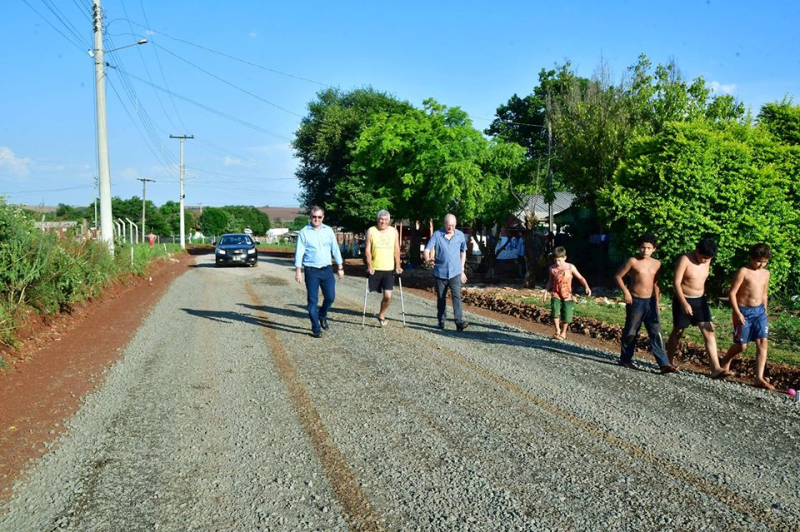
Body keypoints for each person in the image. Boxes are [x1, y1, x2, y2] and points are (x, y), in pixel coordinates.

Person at [614, 234, 678, 373]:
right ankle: (625, 359)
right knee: (631, 330)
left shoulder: (657, 263)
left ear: (654, 249)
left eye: (649, 248)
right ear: (638, 247)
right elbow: (618, 276)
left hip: (650, 301)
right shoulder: (633, 261)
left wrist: (657, 302)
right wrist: (626, 291)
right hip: (635, 300)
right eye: (643, 247)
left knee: (656, 331)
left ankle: (664, 363)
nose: (645, 250)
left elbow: (656, 283)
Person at [666, 238, 724, 375]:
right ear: (697, 251)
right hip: (683, 299)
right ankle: (668, 361)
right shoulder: (685, 260)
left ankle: (715, 368)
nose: (705, 260)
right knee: (678, 331)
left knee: (709, 331)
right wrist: (684, 303)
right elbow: (676, 283)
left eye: (708, 258)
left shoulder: (708, 259)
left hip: (700, 301)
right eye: (703, 257)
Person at [719, 243, 773, 389]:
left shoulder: (766, 273)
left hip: (760, 312)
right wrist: (737, 312)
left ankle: (759, 377)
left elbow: (764, 293)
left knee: (763, 342)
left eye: (764, 262)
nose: (761, 264)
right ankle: (725, 359)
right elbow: (732, 293)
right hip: (743, 311)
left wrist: (765, 310)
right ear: (751, 258)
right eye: (758, 261)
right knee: (742, 346)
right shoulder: (743, 271)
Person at [294, 206, 344, 338]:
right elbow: (299, 253)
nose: (316, 219)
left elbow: (335, 249)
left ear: (323, 217)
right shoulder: (304, 232)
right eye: (314, 217)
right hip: (311, 271)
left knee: (330, 297)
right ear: (310, 217)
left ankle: (322, 315)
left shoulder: (328, 231)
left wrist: (340, 267)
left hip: (327, 270)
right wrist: (298, 271)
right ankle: (315, 327)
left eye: (319, 217)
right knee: (312, 301)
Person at [424, 214, 469, 331]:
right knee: (441, 298)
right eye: (448, 226)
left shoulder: (460, 235)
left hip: (455, 272)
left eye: (453, 226)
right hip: (440, 272)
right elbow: (427, 249)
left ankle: (459, 322)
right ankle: (441, 321)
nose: (450, 228)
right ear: (444, 224)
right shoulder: (437, 235)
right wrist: (428, 259)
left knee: (456, 297)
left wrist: (462, 269)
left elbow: (463, 252)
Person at [541, 246, 591, 340]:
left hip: (567, 295)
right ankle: (557, 330)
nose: (557, 263)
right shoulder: (552, 268)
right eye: (555, 260)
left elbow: (580, 277)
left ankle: (563, 332)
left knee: (567, 315)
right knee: (555, 312)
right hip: (556, 293)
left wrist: (586, 287)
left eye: (559, 260)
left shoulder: (570, 267)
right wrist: (545, 293)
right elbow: (550, 281)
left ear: (564, 257)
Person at [365, 209, 403, 326]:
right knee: (373, 292)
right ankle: (379, 313)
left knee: (388, 296)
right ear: (378, 220)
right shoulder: (371, 230)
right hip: (375, 268)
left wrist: (398, 265)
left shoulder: (394, 231)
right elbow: (367, 250)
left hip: (389, 268)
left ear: (389, 221)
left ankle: (381, 314)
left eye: (386, 220)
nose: (383, 222)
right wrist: (369, 265)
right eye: (381, 219)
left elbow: (397, 249)